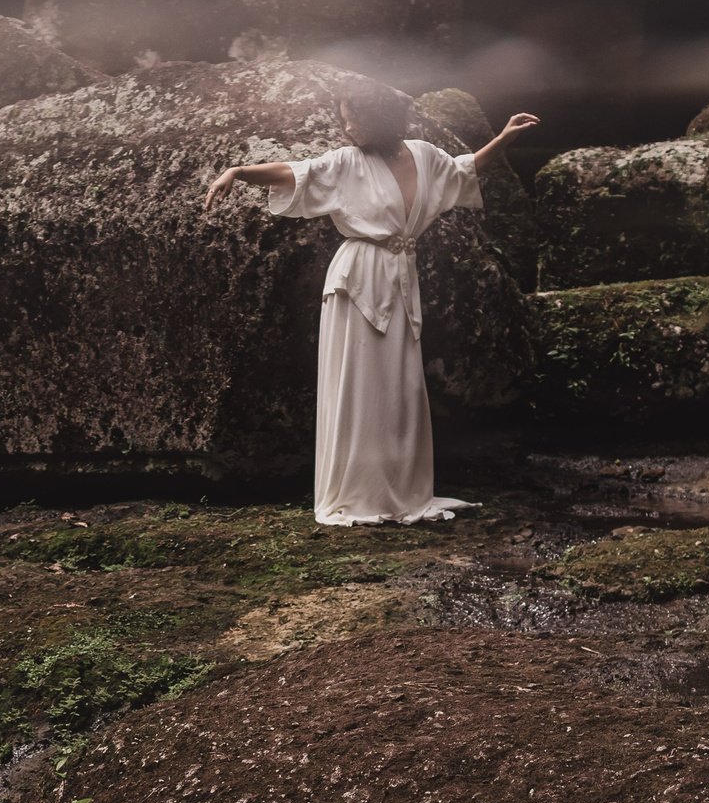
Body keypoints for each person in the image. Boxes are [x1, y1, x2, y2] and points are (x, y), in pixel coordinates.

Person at [205, 79, 541, 526]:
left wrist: (503, 138)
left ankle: (400, 490)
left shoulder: (423, 154)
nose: (345, 126)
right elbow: (297, 173)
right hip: (358, 279)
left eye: (353, 116)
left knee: (400, 384)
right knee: (360, 382)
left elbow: (463, 172)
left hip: (401, 277)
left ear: (379, 119)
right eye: (343, 116)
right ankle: (359, 491)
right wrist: (239, 171)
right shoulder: (347, 162)